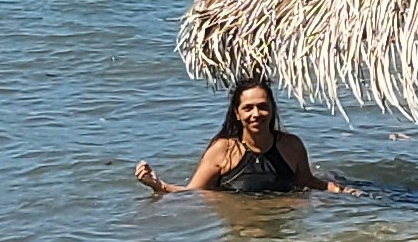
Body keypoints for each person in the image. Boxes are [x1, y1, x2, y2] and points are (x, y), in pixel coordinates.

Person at [140, 75, 346, 195]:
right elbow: (193, 194)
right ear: (237, 113)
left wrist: (341, 192)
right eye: (248, 108)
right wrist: (158, 185)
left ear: (272, 109)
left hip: (283, 229)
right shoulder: (223, 151)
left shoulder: (291, 146)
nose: (256, 114)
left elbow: (307, 182)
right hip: (242, 228)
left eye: (262, 107)